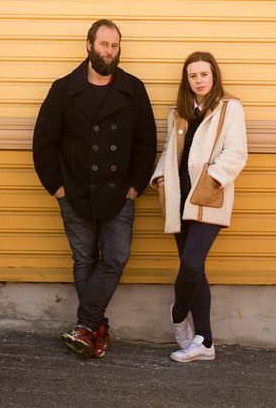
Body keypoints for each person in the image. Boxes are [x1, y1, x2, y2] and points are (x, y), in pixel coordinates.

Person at [32, 19, 156, 360]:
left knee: (115, 257)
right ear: (89, 46)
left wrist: (134, 187)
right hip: (75, 193)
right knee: (84, 259)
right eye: (104, 44)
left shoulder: (133, 89)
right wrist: (58, 189)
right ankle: (94, 330)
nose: (110, 51)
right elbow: (43, 142)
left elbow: (146, 143)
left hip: (119, 195)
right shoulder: (63, 89)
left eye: (115, 45)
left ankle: (85, 327)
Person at [150, 50, 247, 363]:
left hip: (208, 198)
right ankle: (204, 342)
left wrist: (212, 179)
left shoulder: (229, 108)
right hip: (179, 199)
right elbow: (168, 151)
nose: (199, 80)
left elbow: (236, 153)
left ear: (214, 75)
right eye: (193, 75)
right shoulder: (178, 112)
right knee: (197, 271)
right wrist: (161, 179)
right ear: (186, 79)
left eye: (204, 74)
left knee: (191, 264)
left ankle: (179, 315)